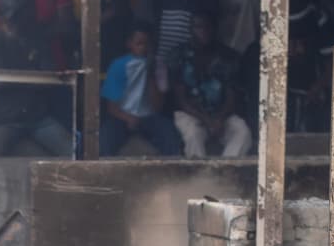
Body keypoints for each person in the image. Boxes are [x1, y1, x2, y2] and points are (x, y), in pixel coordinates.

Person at [0, 0, 74, 157]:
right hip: (8, 119)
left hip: (38, 117)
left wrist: (27, 82)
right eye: (26, 11)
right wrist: (34, 80)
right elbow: (0, 81)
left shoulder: (36, 37)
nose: (32, 14)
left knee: (74, 152)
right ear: (13, 16)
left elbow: (49, 75)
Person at [173, 14, 253, 158]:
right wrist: (207, 120)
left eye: (208, 26)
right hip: (191, 114)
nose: (204, 31)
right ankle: (200, 177)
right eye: (198, 27)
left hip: (222, 115)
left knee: (243, 132)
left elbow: (231, 96)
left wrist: (219, 119)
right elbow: (182, 101)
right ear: (190, 29)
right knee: (193, 134)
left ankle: (224, 172)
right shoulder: (179, 55)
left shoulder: (228, 56)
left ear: (215, 29)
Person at [101, 26, 181, 157]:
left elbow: (158, 106)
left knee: (168, 131)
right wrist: (128, 118)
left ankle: (173, 172)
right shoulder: (119, 65)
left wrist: (150, 73)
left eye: (147, 44)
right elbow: (111, 107)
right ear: (129, 44)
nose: (144, 48)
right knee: (106, 136)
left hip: (149, 117)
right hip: (122, 116)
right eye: (139, 43)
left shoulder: (158, 64)